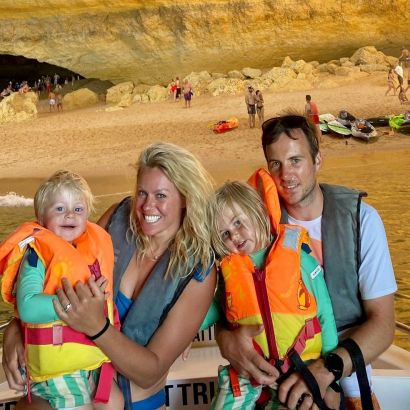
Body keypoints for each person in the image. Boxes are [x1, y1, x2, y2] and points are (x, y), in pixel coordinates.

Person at [2, 142, 217, 410]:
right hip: (71, 386)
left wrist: (98, 327)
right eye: (142, 193)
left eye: (161, 195)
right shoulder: (116, 220)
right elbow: (55, 271)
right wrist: (15, 327)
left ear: (185, 198)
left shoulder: (198, 273)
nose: (147, 206)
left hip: (136, 402)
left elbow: (150, 372)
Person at [215, 115, 397, 410]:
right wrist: (225, 340)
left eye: (295, 160)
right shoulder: (254, 230)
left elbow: (384, 324)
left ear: (317, 160)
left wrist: (325, 373)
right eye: (276, 164)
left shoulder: (362, 220)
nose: (286, 174)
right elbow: (231, 303)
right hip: (279, 377)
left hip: (344, 368)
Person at [210, 176, 338, 409]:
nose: (234, 236)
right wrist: (184, 336)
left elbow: (325, 313)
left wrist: (330, 373)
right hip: (248, 369)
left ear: (258, 212)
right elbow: (208, 311)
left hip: (299, 369)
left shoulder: (299, 259)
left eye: (238, 223)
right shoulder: (228, 273)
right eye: (225, 234)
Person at [0, 170, 122, 409]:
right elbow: (27, 307)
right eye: (59, 209)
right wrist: (76, 305)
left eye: (78, 209)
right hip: (58, 370)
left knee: (115, 401)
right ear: (41, 217)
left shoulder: (90, 251)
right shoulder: (37, 256)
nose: (70, 215)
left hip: (90, 363)